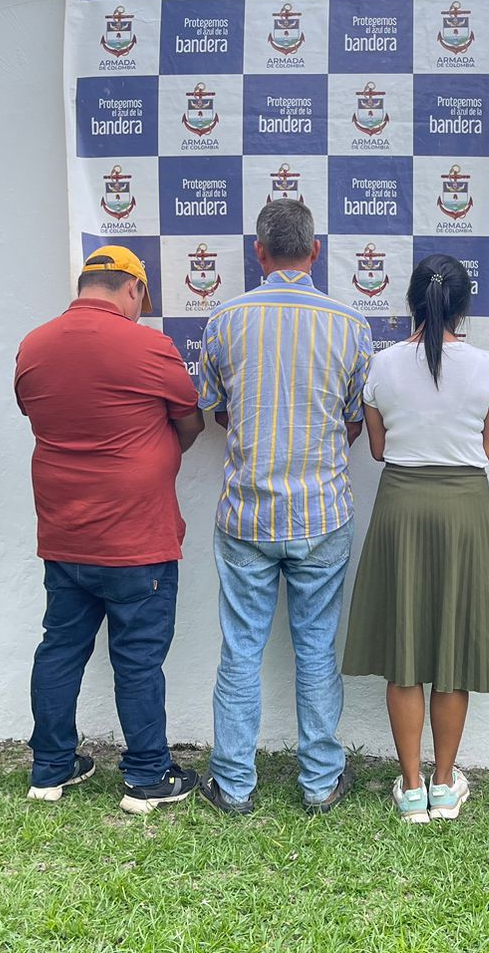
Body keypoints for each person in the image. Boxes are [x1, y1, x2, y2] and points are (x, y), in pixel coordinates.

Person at [195, 199, 373, 814]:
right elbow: (354, 420)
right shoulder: (351, 324)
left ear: (259, 252)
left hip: (246, 512)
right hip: (323, 511)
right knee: (317, 645)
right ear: (316, 251)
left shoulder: (224, 319)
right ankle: (321, 781)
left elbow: (217, 410)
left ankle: (234, 784)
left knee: (240, 646)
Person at [14, 246, 206, 814]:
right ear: (134, 290)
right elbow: (188, 420)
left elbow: (36, 413)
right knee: (139, 658)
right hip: (136, 537)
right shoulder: (149, 346)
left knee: (59, 647)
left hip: (64, 533)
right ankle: (146, 776)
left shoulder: (34, 345)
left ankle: (50, 769)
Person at [342, 254, 489, 823]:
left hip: (401, 506)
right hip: (464, 509)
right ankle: (445, 785)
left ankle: (411, 788)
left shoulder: (381, 365)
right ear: (463, 305)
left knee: (406, 648)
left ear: (411, 302)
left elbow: (378, 448)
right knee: (452, 648)